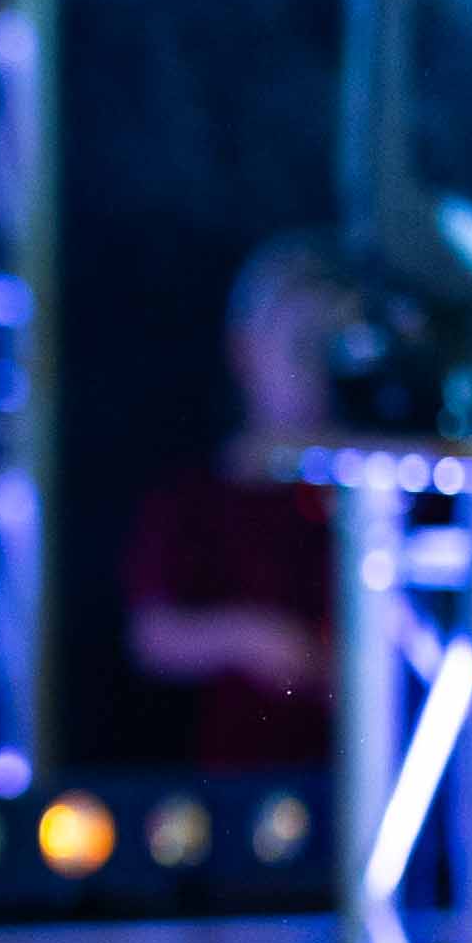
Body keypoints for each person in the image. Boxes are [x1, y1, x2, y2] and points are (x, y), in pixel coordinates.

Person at [117, 233, 361, 769]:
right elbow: (153, 635)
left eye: (332, 346)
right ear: (246, 350)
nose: (316, 372)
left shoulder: (375, 499)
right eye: (300, 345)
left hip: (364, 777)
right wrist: (251, 638)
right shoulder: (192, 502)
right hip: (235, 783)